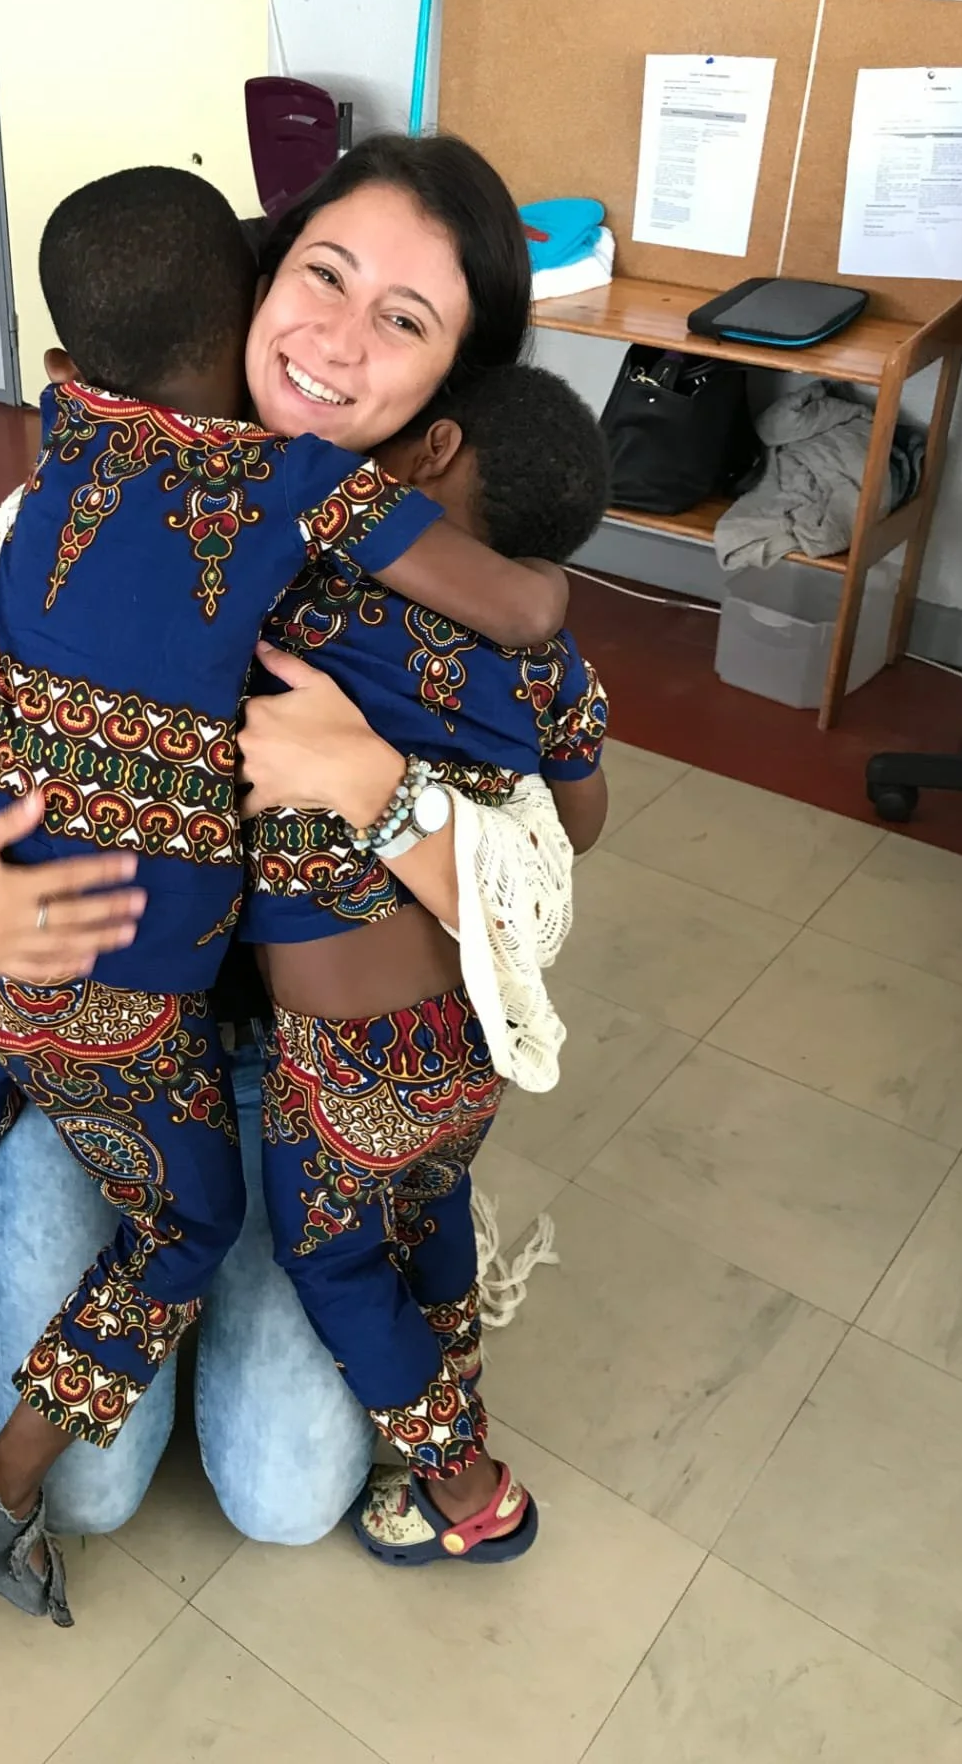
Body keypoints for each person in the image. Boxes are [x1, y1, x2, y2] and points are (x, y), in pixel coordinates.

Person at [0, 134, 565, 1567]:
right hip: (93, 1047)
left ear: (450, 394)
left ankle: (200, 1303)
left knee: (279, 1498)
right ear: (250, 275)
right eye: (320, 274)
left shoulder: (431, 563)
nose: (340, 340)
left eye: (404, 320)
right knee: (95, 1490)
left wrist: (378, 789)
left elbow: (539, 887)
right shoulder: (69, 496)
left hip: (311, 1081)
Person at [240, 358, 610, 1566]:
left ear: (432, 448)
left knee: (334, 1257)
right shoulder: (547, 650)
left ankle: (463, 1484)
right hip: (473, 1028)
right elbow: (583, 819)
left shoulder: (312, 591)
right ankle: (455, 1381)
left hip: (343, 1063)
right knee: (434, 1198)